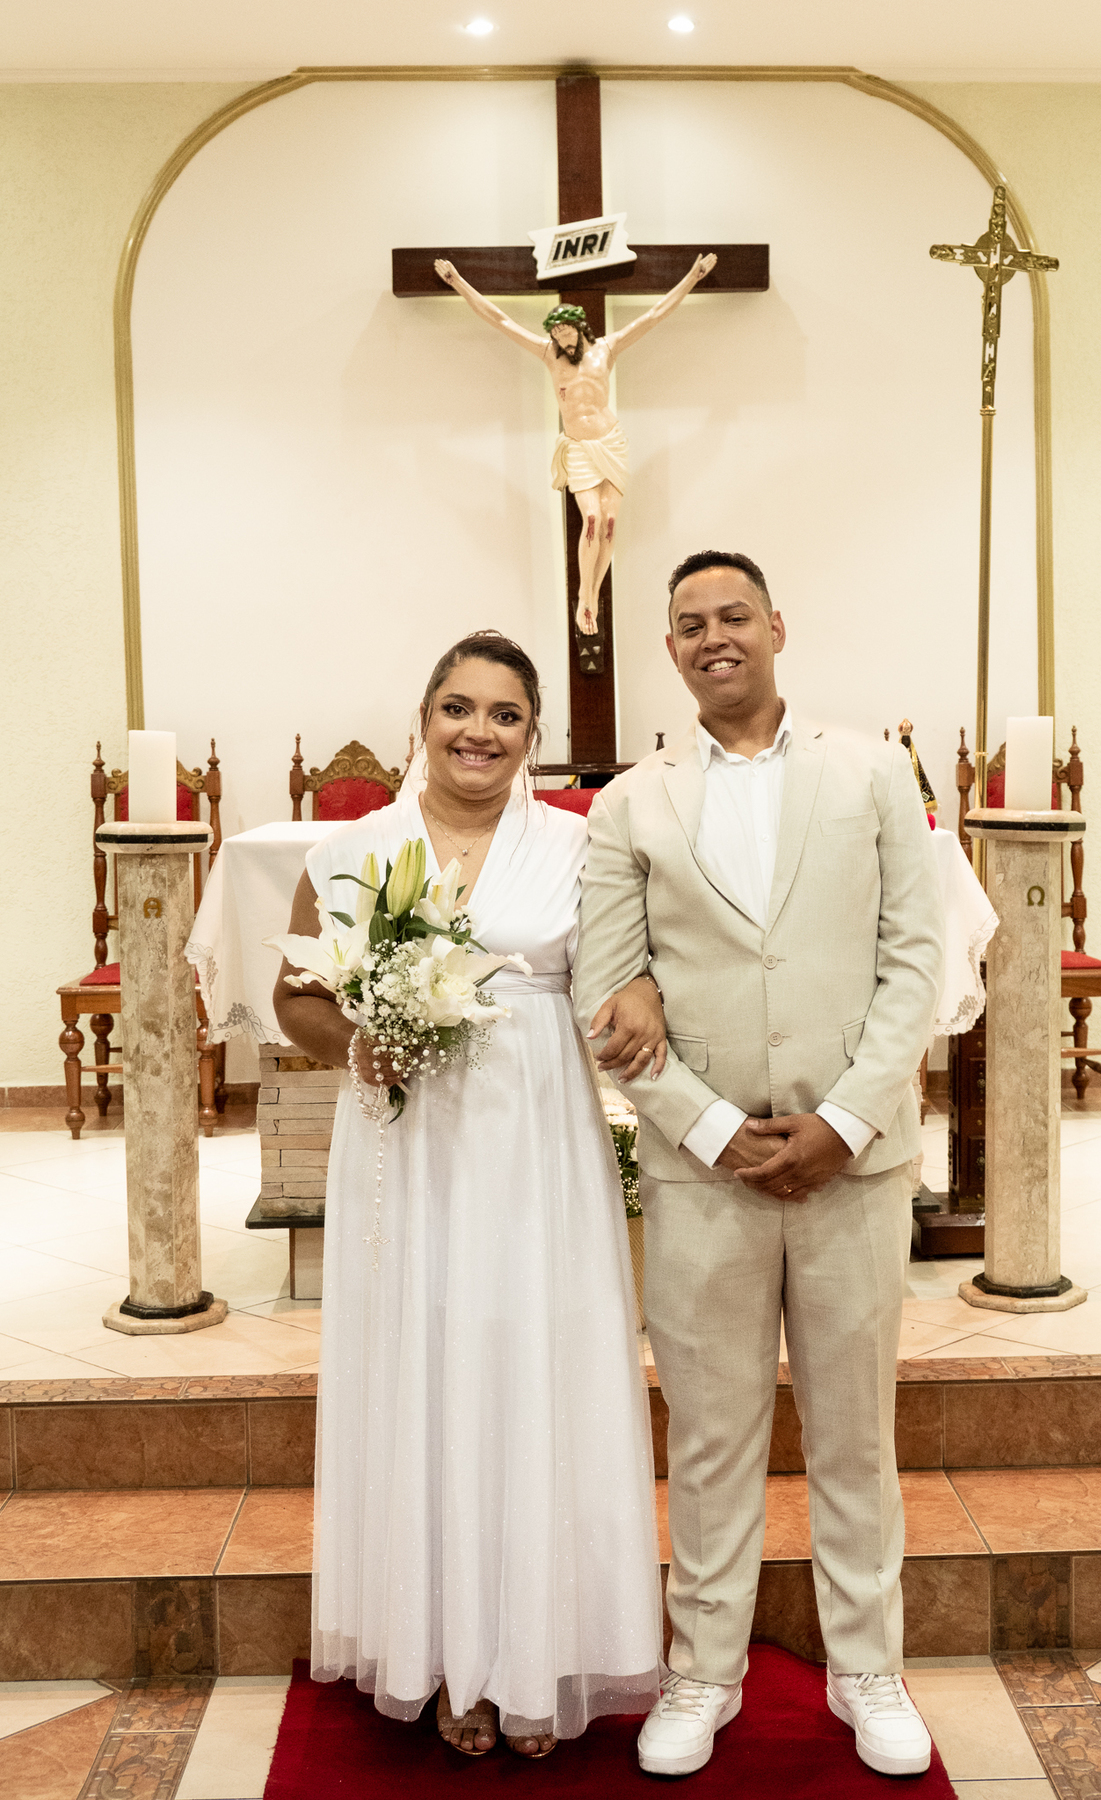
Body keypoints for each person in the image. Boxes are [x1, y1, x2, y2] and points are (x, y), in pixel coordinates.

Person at [572, 552, 945, 1780]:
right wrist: (712, 1127)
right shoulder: (632, 801)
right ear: (670, 651)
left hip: (854, 1162)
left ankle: (867, 1668)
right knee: (715, 1433)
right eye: (690, 625)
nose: (713, 637)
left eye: (734, 615)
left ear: (777, 626)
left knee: (854, 1431)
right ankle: (703, 1673)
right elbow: (607, 992)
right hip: (703, 1172)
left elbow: (915, 966)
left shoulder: (873, 772)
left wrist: (842, 1118)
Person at [273, 631, 668, 1760]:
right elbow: (292, 1001)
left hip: (534, 1141)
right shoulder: (352, 850)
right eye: (457, 707)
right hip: (406, 1145)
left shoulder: (580, 846)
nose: (477, 732)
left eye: (504, 714)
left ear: (533, 736)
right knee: (422, 1368)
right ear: (422, 717)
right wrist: (358, 1041)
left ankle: (540, 1650)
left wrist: (637, 988)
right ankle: (442, 1653)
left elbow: (626, 963)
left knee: (533, 1365)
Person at [433, 254, 717, 637]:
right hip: (580, 449)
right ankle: (585, 597)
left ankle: (594, 593)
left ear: (579, 327)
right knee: (593, 521)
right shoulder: (550, 356)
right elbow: (499, 319)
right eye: (556, 335)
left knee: (611, 523)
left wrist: (692, 276)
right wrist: (456, 281)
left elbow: (653, 316)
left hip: (610, 443)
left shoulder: (607, 350)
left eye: (566, 332)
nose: (561, 340)